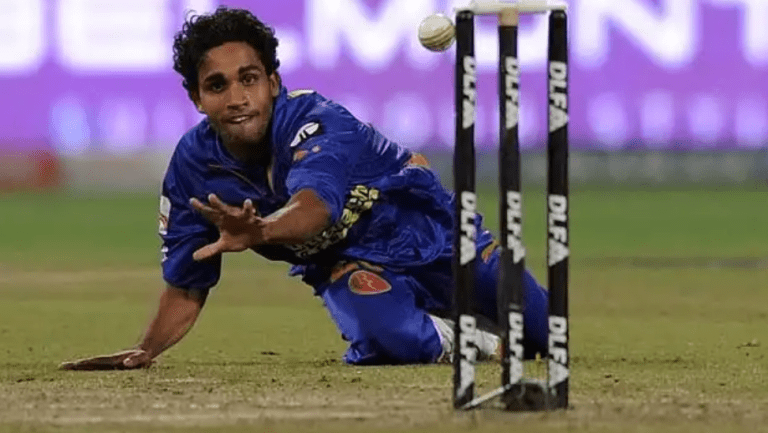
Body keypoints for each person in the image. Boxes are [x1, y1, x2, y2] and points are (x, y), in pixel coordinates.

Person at [59, 7, 550, 370]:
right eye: (217, 85)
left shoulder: (317, 121)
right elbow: (188, 283)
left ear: (273, 82)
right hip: (350, 264)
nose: (237, 98)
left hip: (437, 237)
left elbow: (316, 208)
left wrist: (261, 231)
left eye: (248, 79)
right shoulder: (193, 166)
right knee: (392, 339)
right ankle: (478, 341)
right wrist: (146, 349)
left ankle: (471, 316)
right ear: (196, 98)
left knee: (547, 332)